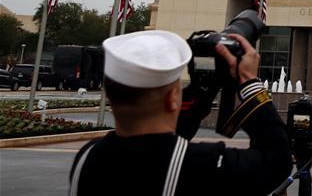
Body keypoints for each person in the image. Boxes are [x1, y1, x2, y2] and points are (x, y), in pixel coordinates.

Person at [68, 29, 292, 196]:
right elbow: (279, 162)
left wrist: (202, 92)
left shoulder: (88, 157)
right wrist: (249, 82)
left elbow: (166, 142)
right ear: (173, 98)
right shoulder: (202, 164)